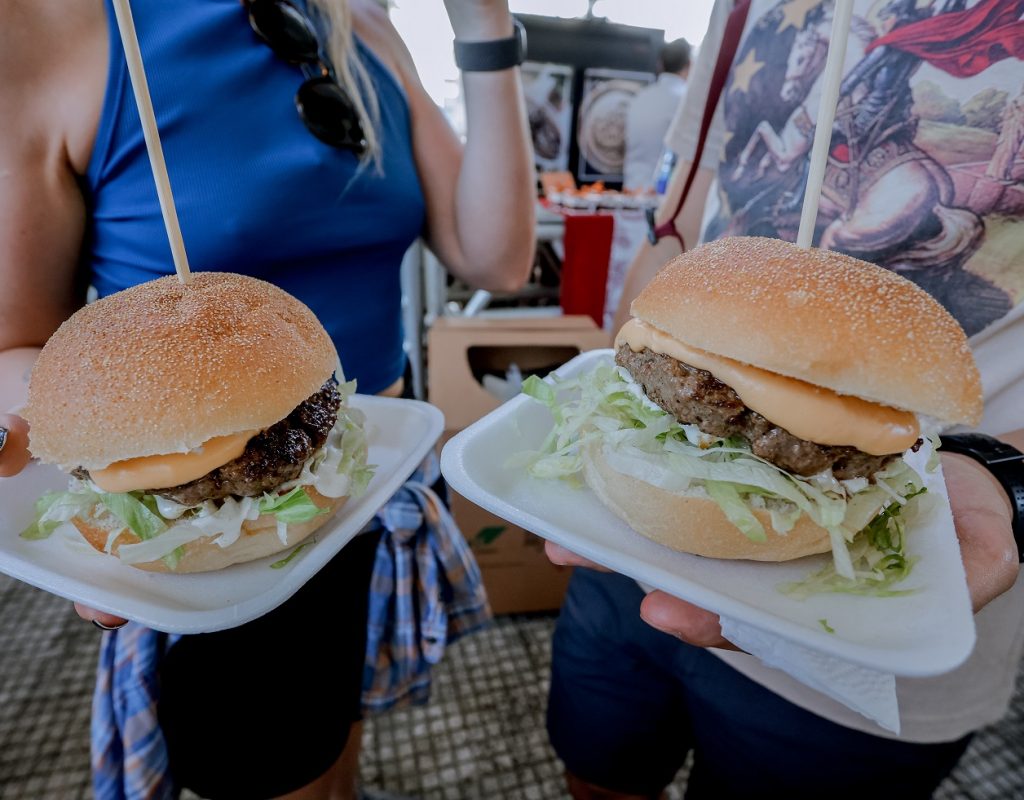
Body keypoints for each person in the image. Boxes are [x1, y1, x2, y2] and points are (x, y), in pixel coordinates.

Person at [0, 0, 534, 798]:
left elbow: (496, 261)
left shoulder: (361, 25)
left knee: (336, 736)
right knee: (267, 767)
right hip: (205, 521)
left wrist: (485, 28)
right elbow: (15, 340)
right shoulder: (53, 25)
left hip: (368, 476)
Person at [545, 0, 1024, 797]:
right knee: (597, 775)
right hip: (625, 543)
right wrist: (641, 368)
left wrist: (1006, 476)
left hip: (878, 627)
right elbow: (683, 211)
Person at [623, 38, 691, 193]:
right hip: (661, 198)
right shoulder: (686, 102)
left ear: (660, 64)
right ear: (689, 65)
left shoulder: (639, 97)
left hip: (629, 192)